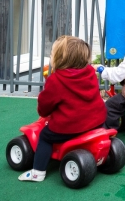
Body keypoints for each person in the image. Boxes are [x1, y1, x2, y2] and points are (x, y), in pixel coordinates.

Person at [19, 36, 106, 182]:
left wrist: (43, 108)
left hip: (70, 126)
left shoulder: (56, 80)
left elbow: (45, 107)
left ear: (60, 58)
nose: (51, 57)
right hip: (97, 121)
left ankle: (37, 172)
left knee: (45, 136)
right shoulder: (90, 72)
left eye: (52, 54)